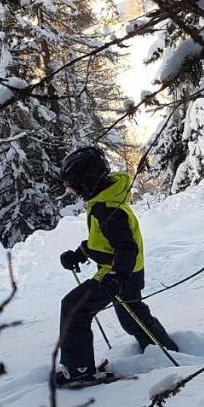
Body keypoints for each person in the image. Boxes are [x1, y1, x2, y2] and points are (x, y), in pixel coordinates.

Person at [54, 146, 178, 385]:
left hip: (120, 274)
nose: (72, 193)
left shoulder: (109, 209)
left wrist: (118, 277)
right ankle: (167, 350)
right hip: (121, 273)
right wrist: (80, 254)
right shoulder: (104, 201)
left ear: (88, 181)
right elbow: (104, 241)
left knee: (74, 307)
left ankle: (78, 370)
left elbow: (126, 248)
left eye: (74, 187)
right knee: (133, 318)